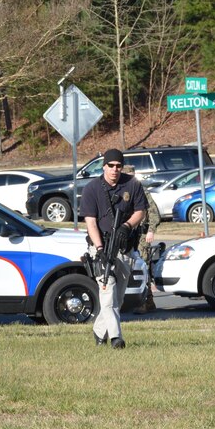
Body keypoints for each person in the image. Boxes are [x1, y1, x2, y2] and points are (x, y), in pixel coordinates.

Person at [81, 148, 147, 348]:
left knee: (117, 297)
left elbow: (141, 211)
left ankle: (99, 331)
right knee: (108, 296)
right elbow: (91, 223)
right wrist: (100, 250)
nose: (115, 170)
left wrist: (127, 227)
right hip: (101, 248)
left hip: (125, 248)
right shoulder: (92, 189)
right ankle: (117, 338)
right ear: (104, 166)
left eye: (118, 166)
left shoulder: (132, 184)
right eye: (111, 166)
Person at [133, 182, 161, 314]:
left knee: (143, 267)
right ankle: (148, 301)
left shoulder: (141, 191)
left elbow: (154, 213)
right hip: (127, 235)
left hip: (141, 236)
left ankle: (145, 301)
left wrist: (151, 230)